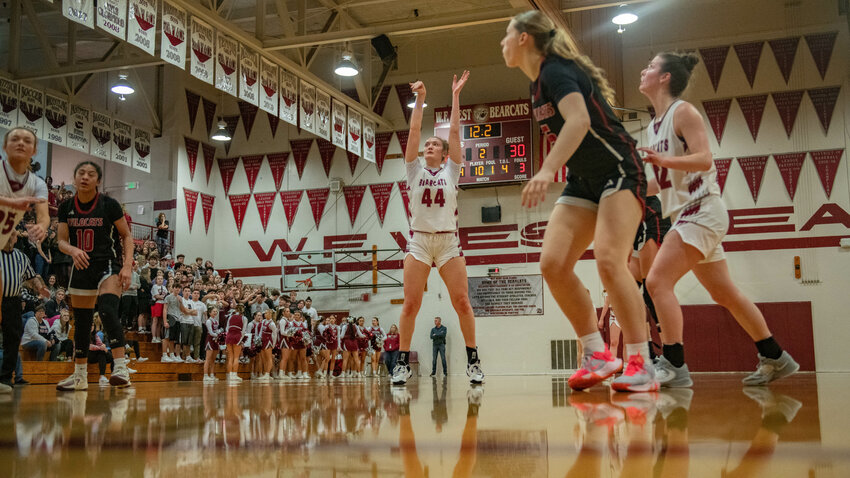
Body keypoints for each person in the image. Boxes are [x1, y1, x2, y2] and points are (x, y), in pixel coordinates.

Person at [501, 11, 651, 392]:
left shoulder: (554, 71)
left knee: (608, 260)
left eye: (506, 34)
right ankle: (596, 353)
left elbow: (580, 120)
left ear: (523, 39)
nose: (501, 42)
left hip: (619, 167)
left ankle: (640, 360)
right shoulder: (537, 84)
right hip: (585, 181)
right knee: (552, 264)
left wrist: (546, 170)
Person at [637, 51, 798, 387]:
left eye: (651, 66)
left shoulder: (684, 112)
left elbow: (704, 159)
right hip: (690, 212)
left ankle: (674, 364)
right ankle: (774, 355)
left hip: (701, 210)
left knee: (656, 283)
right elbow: (665, 181)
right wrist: (633, 186)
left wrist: (664, 161)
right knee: (725, 294)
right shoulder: (654, 125)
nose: (644, 70)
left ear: (665, 77)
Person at [393, 71, 484, 387]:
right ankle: (402, 364)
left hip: (448, 243)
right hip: (419, 242)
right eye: (427, 144)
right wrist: (420, 98)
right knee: (411, 304)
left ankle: (473, 362)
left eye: (435, 144)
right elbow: (415, 129)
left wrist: (456, 95)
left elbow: (456, 132)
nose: (428, 145)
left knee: (462, 302)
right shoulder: (413, 169)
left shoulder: (451, 172)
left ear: (445, 155)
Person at [56, 161, 136, 391]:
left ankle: (120, 367)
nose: (85, 177)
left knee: (108, 309)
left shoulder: (109, 204)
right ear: (74, 178)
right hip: (81, 266)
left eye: (91, 174)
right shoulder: (65, 207)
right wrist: (72, 249)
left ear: (98, 181)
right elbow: (61, 241)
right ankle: (79, 375)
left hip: (108, 263)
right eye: (81, 173)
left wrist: (127, 265)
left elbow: (127, 236)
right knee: (81, 322)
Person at [0, 127, 49, 354]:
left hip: (10, 295)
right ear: (4, 146)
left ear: (34, 150)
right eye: (15, 139)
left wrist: (42, 227)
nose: (20, 142)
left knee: (11, 333)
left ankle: (6, 378)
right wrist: (11, 203)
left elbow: (44, 215)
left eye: (27, 140)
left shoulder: (37, 184)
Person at [1, 228, 49, 391]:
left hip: (13, 301)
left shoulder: (21, 257)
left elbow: (32, 277)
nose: (10, 237)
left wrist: (40, 288)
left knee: (13, 339)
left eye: (13, 234)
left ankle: (6, 378)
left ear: (15, 238)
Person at [224, 305, 247, 383]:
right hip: (237, 336)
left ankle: (230, 375)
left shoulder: (230, 317)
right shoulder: (244, 318)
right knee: (236, 357)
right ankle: (234, 375)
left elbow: (227, 328)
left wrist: (228, 335)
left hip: (229, 336)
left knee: (230, 357)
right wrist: (241, 339)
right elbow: (243, 331)